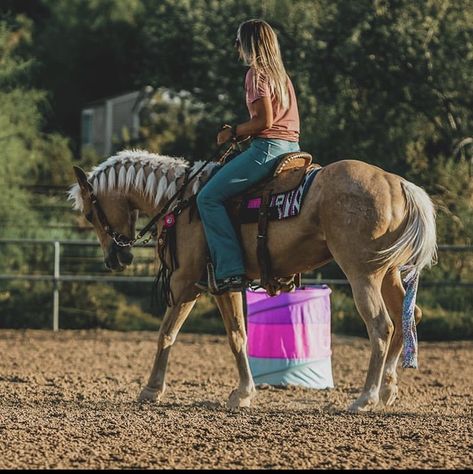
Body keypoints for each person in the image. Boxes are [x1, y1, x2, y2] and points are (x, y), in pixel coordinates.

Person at [196, 19, 300, 293]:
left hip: (267, 150)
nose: (236, 47)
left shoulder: (256, 74)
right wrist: (244, 133)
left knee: (207, 197)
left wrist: (233, 133)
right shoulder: (281, 76)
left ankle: (230, 271)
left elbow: (265, 121)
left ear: (249, 44)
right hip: (293, 148)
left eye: (238, 41)